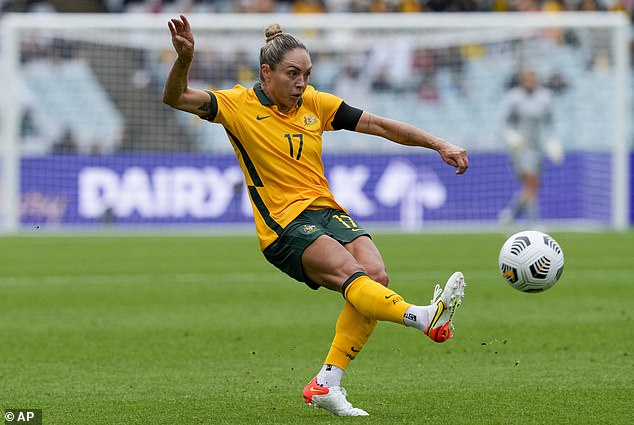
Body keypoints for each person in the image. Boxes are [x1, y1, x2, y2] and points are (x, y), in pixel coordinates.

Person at [163, 15, 469, 417]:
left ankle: (326, 384)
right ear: (266, 73)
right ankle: (423, 317)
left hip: (325, 210)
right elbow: (176, 97)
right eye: (293, 74)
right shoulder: (237, 104)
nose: (301, 83)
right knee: (351, 275)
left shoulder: (314, 105)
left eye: (306, 74)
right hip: (284, 225)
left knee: (376, 277)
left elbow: (377, 124)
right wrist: (184, 58)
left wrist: (437, 143)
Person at [499, 67, 563, 227]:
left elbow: (552, 121)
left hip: (538, 147)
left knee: (533, 186)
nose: (530, 82)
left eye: (533, 79)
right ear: (522, 80)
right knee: (530, 184)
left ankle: (509, 215)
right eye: (527, 79)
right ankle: (533, 222)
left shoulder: (545, 97)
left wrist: (553, 141)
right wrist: (510, 135)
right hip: (520, 148)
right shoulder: (513, 98)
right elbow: (502, 122)